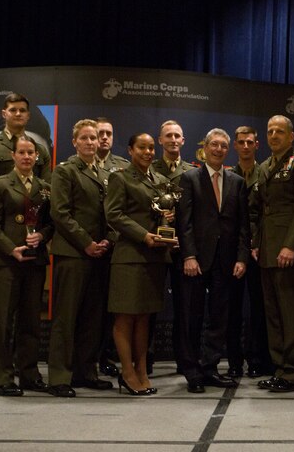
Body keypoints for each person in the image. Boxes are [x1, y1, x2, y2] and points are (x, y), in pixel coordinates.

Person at [0, 92, 52, 387]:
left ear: (28, 115)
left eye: (22, 110)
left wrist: (37, 231)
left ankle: (25, 368)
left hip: (29, 238)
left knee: (29, 313)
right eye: (12, 110)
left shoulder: (40, 148)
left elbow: (44, 192)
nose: (18, 114)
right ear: (4, 113)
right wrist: (6, 194)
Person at [176, 128, 249, 393]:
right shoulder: (189, 178)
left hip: (227, 260)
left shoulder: (237, 181)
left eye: (223, 146)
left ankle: (209, 368)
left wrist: (242, 257)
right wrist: (189, 255)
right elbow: (183, 223)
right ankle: (192, 371)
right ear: (205, 148)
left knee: (219, 318)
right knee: (191, 317)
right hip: (197, 259)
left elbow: (243, 225)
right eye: (214, 145)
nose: (218, 150)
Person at [251, 115, 294, 392]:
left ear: (292, 137)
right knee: (274, 314)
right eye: (270, 131)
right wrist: (256, 243)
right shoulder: (264, 166)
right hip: (267, 249)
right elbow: (257, 210)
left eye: (280, 131)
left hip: (288, 250)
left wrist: (291, 245)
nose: (274, 135)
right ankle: (280, 368)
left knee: (291, 314)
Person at [46, 120, 113, 397]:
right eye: (84, 138)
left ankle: (86, 372)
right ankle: (60, 376)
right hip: (73, 253)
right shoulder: (65, 171)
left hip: (100, 253)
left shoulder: (104, 173)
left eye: (94, 138)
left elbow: (111, 211)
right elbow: (60, 213)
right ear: (74, 142)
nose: (89, 142)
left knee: (93, 317)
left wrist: (108, 239)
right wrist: (86, 243)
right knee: (66, 317)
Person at [104, 133, 172, 395]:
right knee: (125, 317)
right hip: (130, 256)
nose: (147, 152)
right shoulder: (120, 177)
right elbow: (114, 214)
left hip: (154, 258)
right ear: (130, 150)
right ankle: (127, 372)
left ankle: (142, 370)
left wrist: (168, 232)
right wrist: (143, 235)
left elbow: (164, 216)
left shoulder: (161, 181)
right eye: (141, 148)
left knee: (144, 317)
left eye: (151, 148)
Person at [150, 120, 197, 373]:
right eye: (168, 135)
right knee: (147, 307)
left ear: (183, 141)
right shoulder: (149, 169)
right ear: (160, 140)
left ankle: (185, 361)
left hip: (181, 249)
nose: (172, 139)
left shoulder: (192, 172)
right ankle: (144, 360)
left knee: (185, 309)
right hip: (153, 247)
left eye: (177, 135)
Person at [226, 126, 270, 379]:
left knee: (259, 309)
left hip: (260, 249)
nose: (245, 146)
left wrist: (258, 242)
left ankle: (257, 359)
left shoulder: (265, 173)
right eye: (241, 142)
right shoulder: (229, 175)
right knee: (232, 309)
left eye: (249, 142)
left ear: (256, 145)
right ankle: (233, 360)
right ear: (235, 145)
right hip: (234, 252)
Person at [94, 117, 128, 377]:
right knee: (86, 308)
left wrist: (112, 238)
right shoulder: (76, 166)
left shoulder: (124, 168)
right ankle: (83, 358)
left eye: (108, 133)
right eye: (99, 133)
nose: (104, 138)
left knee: (109, 307)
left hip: (115, 247)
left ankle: (104, 355)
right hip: (85, 246)